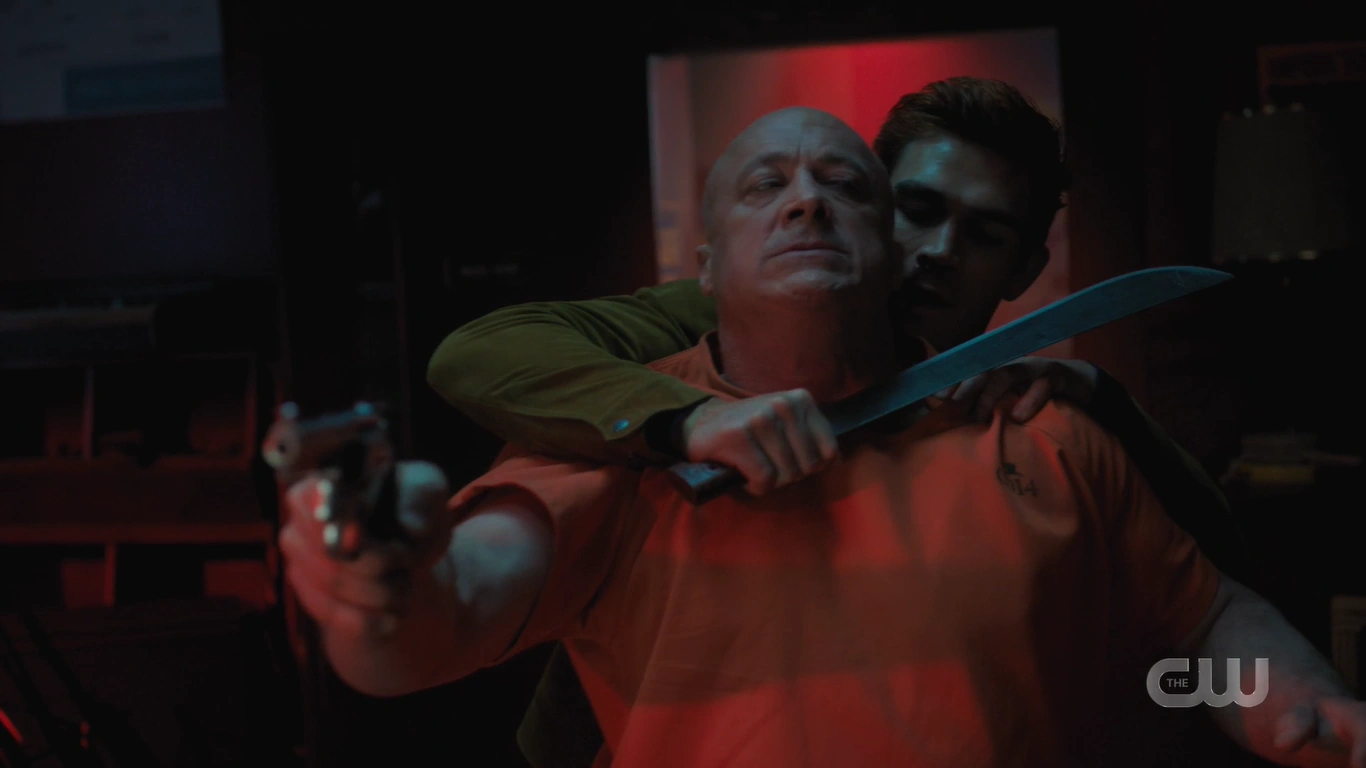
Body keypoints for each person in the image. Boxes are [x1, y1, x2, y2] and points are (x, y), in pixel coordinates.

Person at [281, 108, 1366, 767]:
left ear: (885, 247)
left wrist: (1296, 708)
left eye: (845, 187)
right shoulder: (626, 438)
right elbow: (444, 610)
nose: (806, 203)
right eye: (767, 186)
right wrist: (379, 590)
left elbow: (1204, 621)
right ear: (704, 266)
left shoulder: (1037, 426)